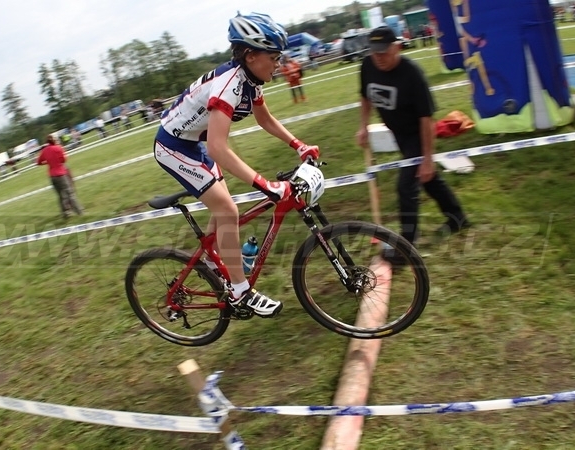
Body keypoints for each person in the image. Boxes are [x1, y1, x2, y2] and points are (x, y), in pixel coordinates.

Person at [153, 12, 319, 318]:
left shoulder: (250, 80)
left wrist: (298, 144)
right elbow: (218, 147)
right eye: (274, 57)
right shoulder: (229, 85)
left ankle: (215, 262)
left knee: (224, 209)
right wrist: (266, 185)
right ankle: (241, 291)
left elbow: (264, 118)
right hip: (173, 146)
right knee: (228, 210)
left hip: (193, 143)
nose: (278, 63)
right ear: (251, 55)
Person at [356, 26, 470, 263]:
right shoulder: (367, 65)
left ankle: (406, 248)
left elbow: (426, 119)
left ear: (396, 47)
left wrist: (427, 157)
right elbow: (365, 96)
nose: (379, 58)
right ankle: (457, 217)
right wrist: (363, 126)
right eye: (375, 52)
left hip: (418, 134)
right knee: (427, 178)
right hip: (398, 133)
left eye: (383, 52)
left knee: (406, 187)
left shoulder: (412, 74)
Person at [37, 135, 83, 218]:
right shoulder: (58, 148)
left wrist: (48, 162)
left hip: (52, 176)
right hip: (61, 174)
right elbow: (64, 160)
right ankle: (79, 211)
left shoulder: (45, 150)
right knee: (70, 194)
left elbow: (39, 162)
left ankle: (65, 213)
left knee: (61, 196)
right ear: (55, 141)